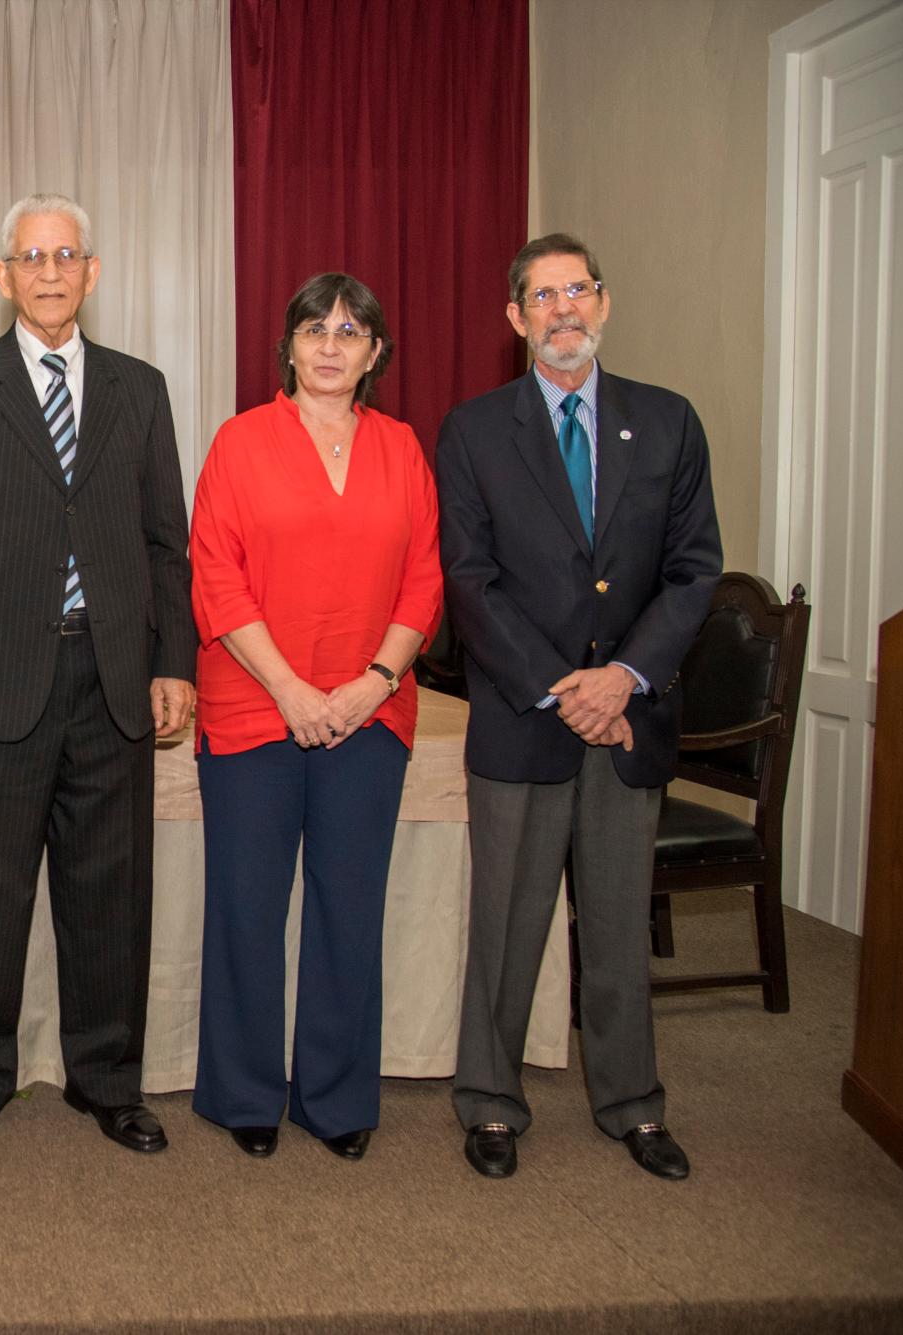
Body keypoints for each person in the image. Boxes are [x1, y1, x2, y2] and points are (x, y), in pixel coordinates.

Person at [0, 193, 197, 1165]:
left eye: (64, 254)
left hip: (112, 676)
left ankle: (107, 1082)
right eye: (29, 257)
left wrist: (171, 661)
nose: (47, 271)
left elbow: (166, 542)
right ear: (3, 276)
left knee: (109, 897)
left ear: (90, 271)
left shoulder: (138, 387)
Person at [439, 233, 721, 1182]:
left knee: (614, 924)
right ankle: (489, 1101)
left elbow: (692, 571)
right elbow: (470, 581)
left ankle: (633, 1103)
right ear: (515, 319)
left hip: (629, 717)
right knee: (507, 926)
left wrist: (623, 678)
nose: (564, 309)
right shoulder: (475, 430)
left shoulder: (669, 422)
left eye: (578, 291)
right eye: (542, 296)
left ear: (604, 303)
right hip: (526, 715)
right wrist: (563, 685)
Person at [187, 273, 442, 1162]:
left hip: (370, 715)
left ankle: (335, 1098)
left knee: (348, 908)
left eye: (351, 330)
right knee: (247, 909)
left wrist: (374, 681)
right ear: (288, 345)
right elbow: (215, 576)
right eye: (314, 328)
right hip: (256, 708)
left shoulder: (403, 448)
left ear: (375, 352)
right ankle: (245, 1091)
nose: (331, 345)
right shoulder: (239, 442)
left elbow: (425, 578)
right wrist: (291, 689)